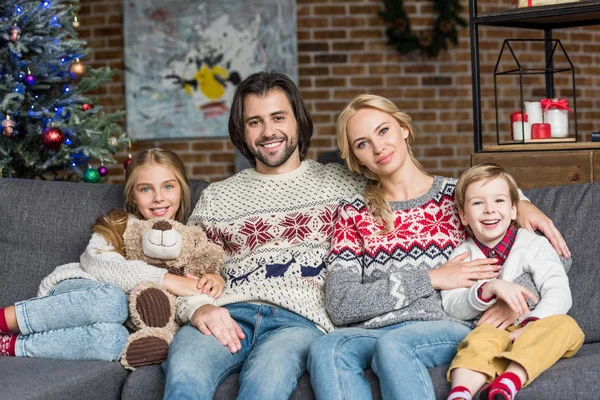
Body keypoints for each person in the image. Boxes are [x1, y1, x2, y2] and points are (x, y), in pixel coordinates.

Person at [163, 74, 568, 399]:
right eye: (255, 121)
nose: (269, 131)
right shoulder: (345, 203)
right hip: (249, 314)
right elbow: (180, 264)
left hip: (329, 323)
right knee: (192, 377)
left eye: (278, 117)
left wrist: (523, 206)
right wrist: (198, 306)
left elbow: (498, 215)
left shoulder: (438, 195)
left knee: (275, 383)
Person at [307, 94, 571, 400]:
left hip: (444, 326)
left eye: (383, 131)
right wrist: (431, 277)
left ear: (403, 129)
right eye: (362, 144)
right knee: (326, 348)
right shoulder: (354, 212)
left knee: (394, 346)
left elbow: (552, 260)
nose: (378, 147)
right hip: (372, 331)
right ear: (355, 159)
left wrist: (512, 301)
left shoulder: (458, 196)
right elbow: (340, 303)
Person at [0, 148, 222, 366]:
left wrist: (213, 279)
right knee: (114, 301)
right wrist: (166, 279)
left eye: (168, 187)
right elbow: (97, 263)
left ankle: (10, 345)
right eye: (145, 189)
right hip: (81, 293)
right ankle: (4, 318)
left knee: (114, 341)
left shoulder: (189, 239)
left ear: (181, 190)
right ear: (133, 196)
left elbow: (196, 286)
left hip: (119, 322)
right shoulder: (120, 222)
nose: (158, 198)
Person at [442, 163, 584, 400]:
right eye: (478, 203)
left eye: (499, 201)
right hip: (491, 329)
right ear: (463, 216)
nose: (489, 210)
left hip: (535, 326)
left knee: (568, 327)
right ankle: (460, 393)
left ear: (514, 210)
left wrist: (533, 321)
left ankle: (509, 382)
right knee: (477, 341)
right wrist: (485, 289)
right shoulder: (462, 255)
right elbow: (452, 304)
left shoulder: (533, 244)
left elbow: (558, 289)